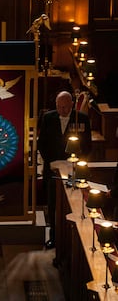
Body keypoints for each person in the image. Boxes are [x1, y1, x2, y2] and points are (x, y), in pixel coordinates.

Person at [38, 91, 92, 249]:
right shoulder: (48, 118)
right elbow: (42, 144)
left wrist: (76, 163)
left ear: (71, 105)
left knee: (72, 207)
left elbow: (87, 146)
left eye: (65, 107)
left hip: (74, 171)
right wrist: (51, 162)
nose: (62, 110)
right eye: (59, 107)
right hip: (53, 170)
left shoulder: (81, 119)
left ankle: (69, 242)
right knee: (53, 205)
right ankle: (53, 238)